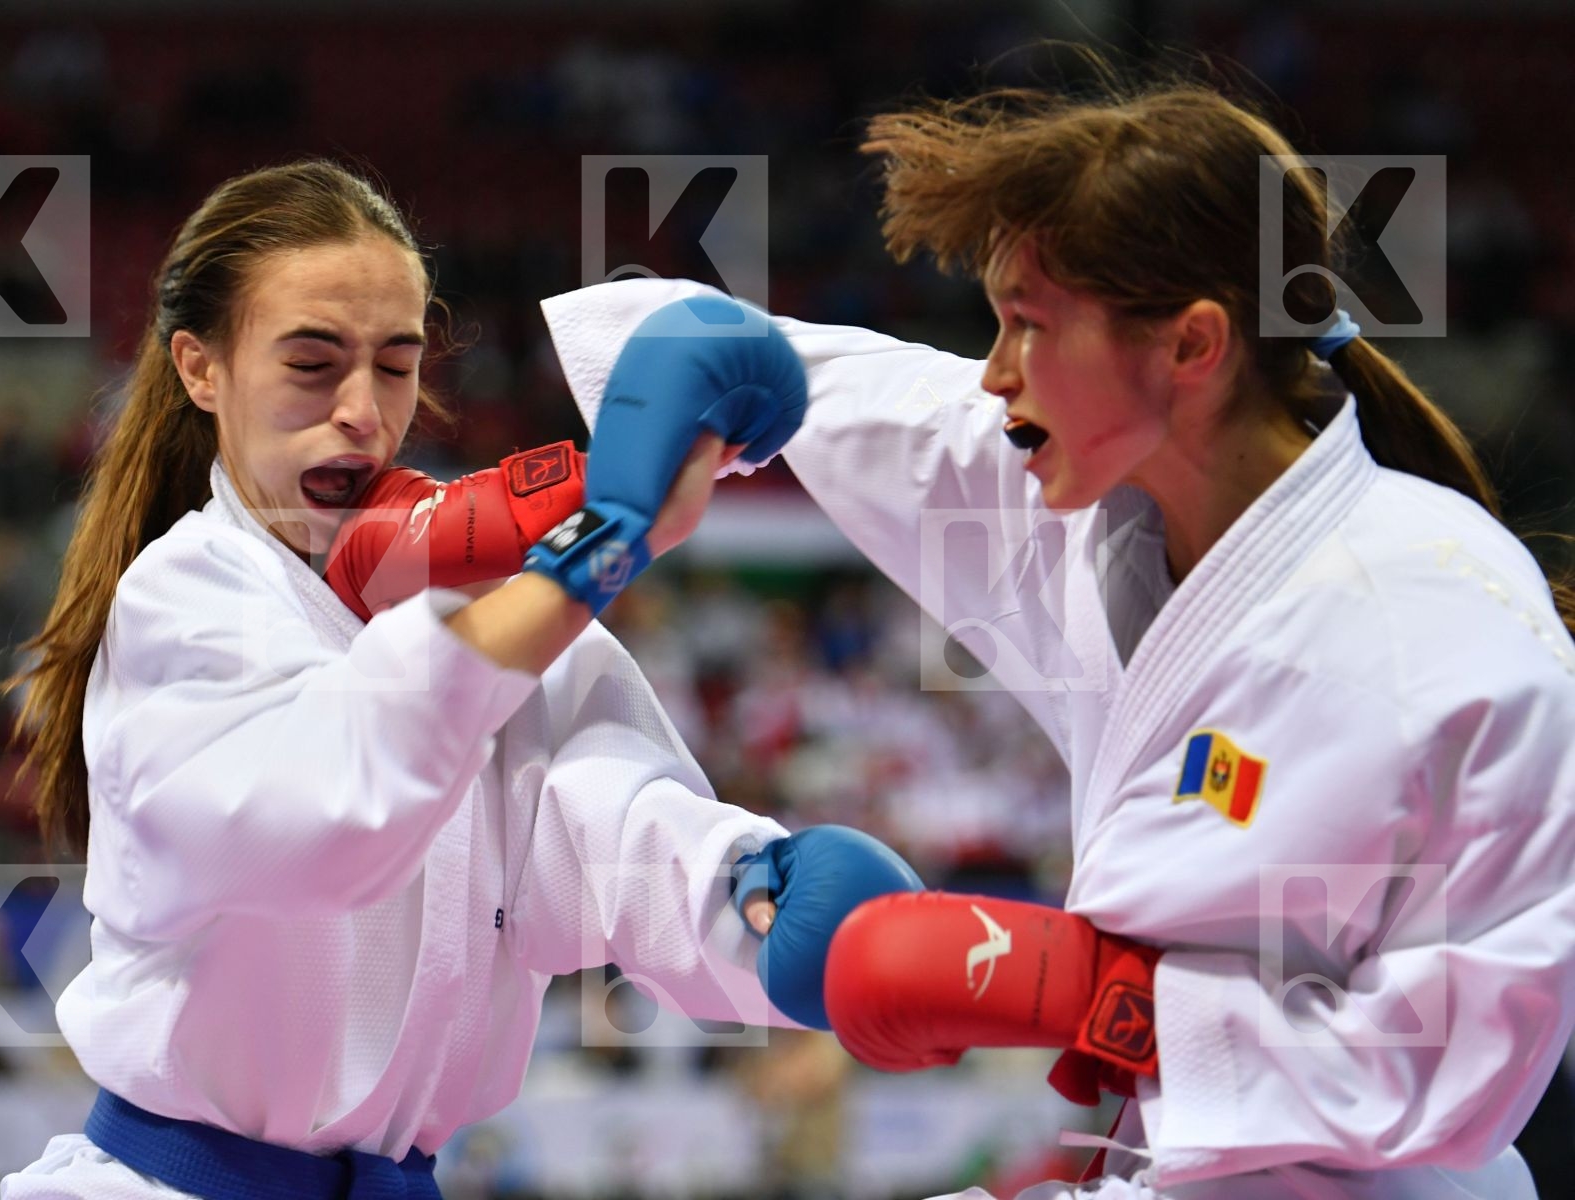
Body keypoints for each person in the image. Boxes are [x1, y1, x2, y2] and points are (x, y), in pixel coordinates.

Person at [538, 82, 1575, 1200]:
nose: (995, 372)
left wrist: (1090, 995)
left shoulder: (1440, 627)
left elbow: (1468, 1067)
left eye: (1028, 324)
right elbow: (886, 404)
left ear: (1192, 345)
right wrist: (695, 352)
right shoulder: (1081, 495)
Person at [0, 159, 919, 1200]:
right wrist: (594, 549)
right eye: (313, 363)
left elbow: (610, 833)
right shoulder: (182, 599)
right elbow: (335, 812)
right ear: (201, 370)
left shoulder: (498, 609)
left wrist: (775, 910)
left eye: (393, 366)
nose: (362, 411)